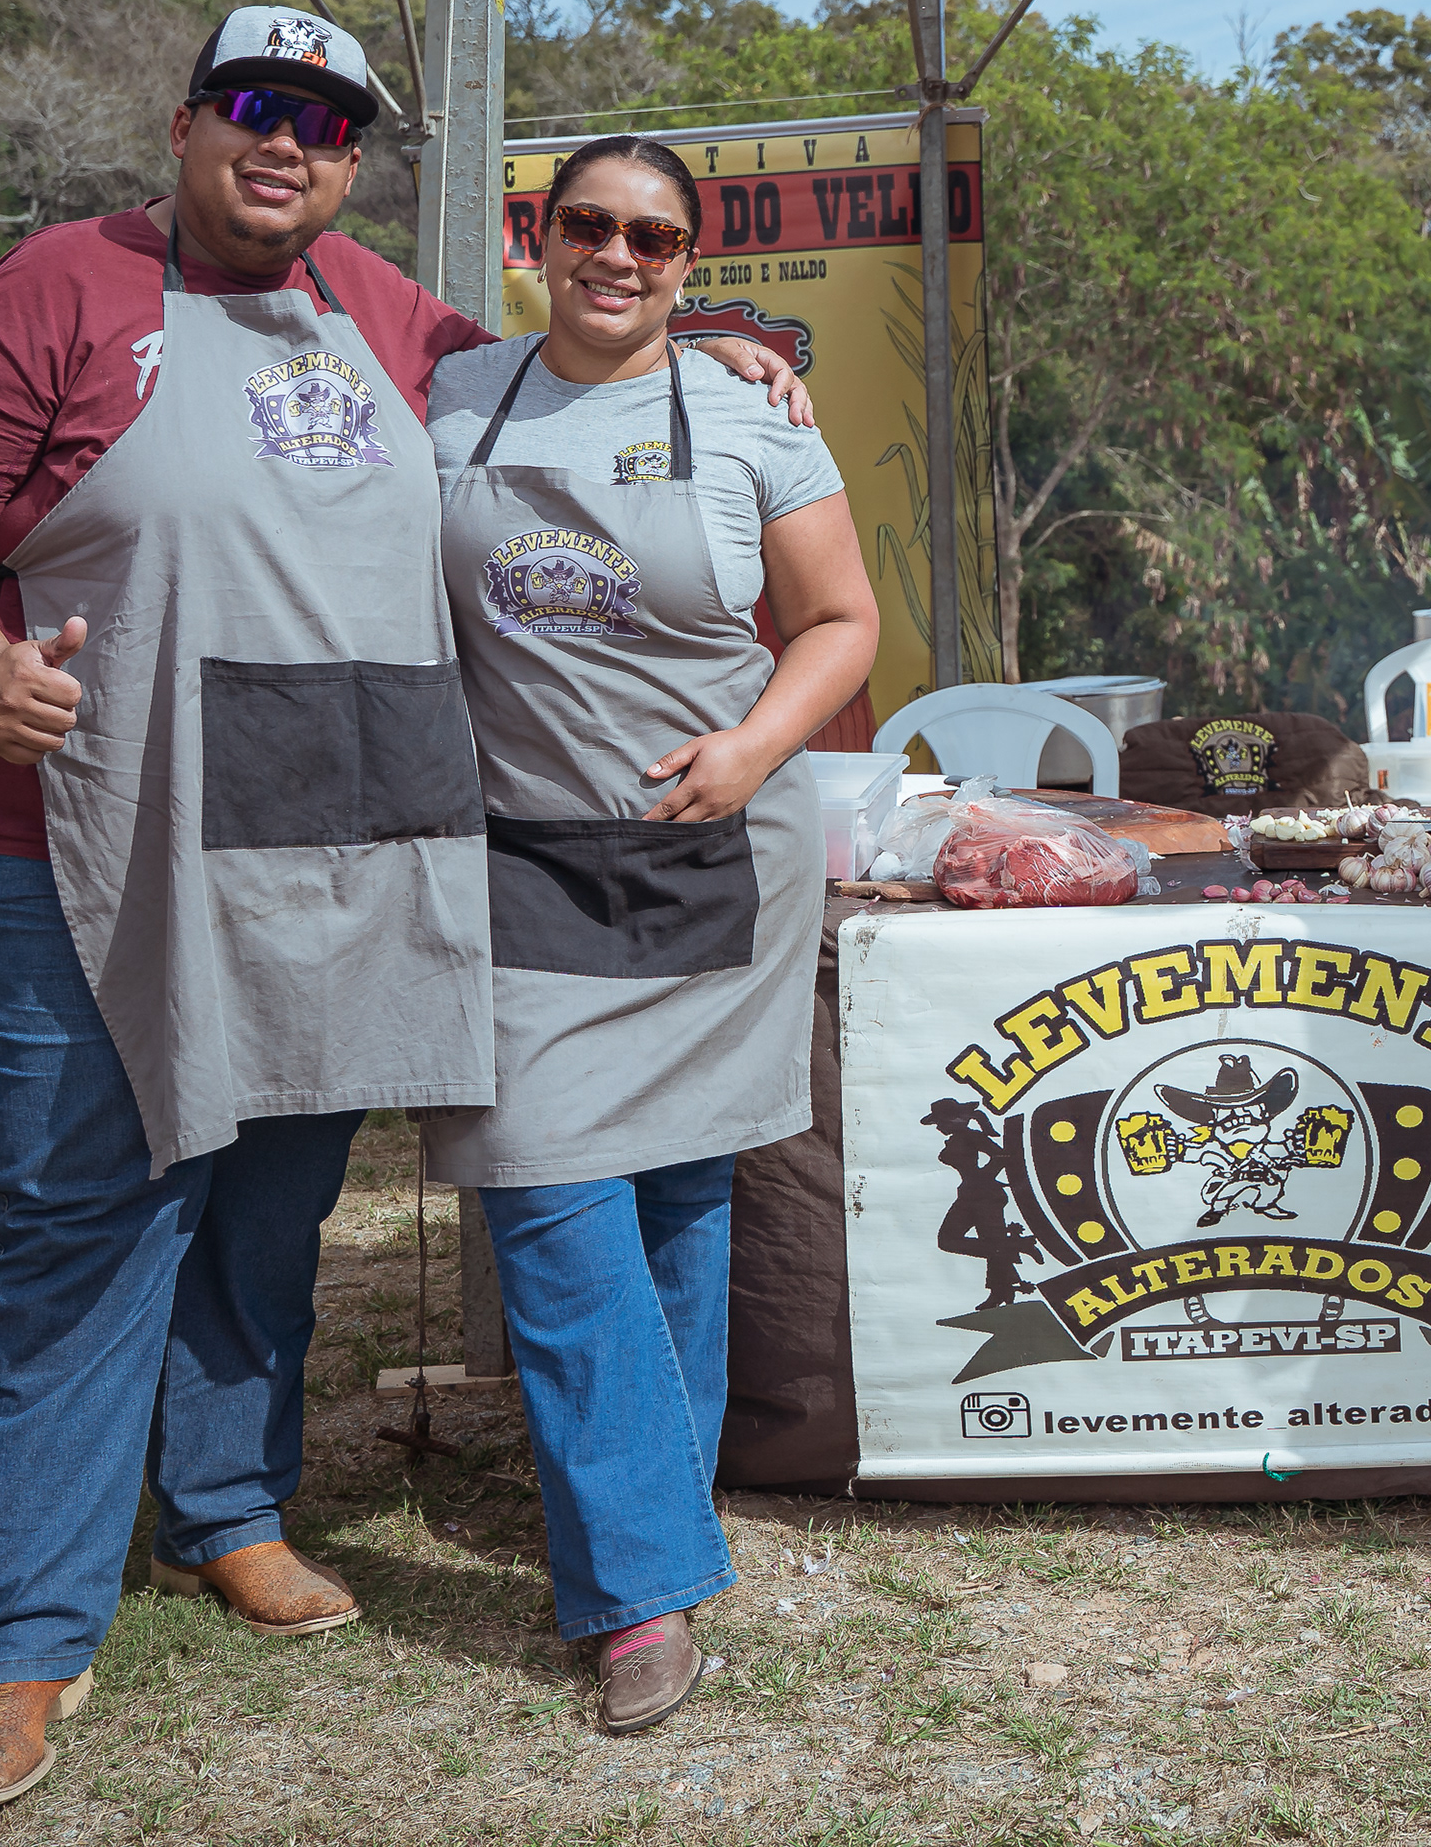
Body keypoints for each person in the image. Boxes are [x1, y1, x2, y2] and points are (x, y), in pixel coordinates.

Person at [0, 11, 804, 1825]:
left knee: (272, 1199)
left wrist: (718, 347)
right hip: (87, 828)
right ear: (188, 125)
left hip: (324, 834)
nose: (284, 141)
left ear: (355, 160)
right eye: (253, 106)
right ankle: (18, 1647)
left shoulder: (382, 311)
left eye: (326, 122)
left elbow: (574, 360)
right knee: (82, 1219)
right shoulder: (60, 287)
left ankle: (226, 1507)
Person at [417, 133, 877, 1735]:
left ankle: (650, 1535)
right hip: (519, 857)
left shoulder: (752, 417)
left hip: (715, 850)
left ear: (691, 260)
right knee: (543, 1188)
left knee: (683, 1189)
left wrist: (755, 748)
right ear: (538, 238)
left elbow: (841, 622)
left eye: (656, 240)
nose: (618, 256)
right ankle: (642, 1588)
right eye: (590, 226)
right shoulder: (451, 391)